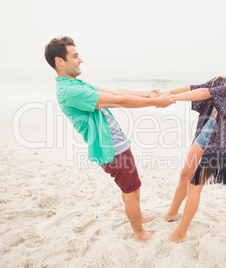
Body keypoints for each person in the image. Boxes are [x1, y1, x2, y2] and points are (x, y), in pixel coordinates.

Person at [44, 36, 175, 242]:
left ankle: (138, 217)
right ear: (60, 61)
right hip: (112, 149)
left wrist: (148, 94)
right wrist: (157, 102)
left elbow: (115, 91)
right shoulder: (70, 91)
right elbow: (118, 101)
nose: (81, 60)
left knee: (131, 187)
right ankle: (139, 233)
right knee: (132, 191)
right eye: (75, 56)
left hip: (116, 145)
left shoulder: (75, 84)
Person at [162, 40, 226, 242]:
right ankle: (172, 213)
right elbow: (195, 87)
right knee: (185, 174)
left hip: (221, 140)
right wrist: (166, 93)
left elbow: (205, 93)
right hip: (206, 132)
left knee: (195, 185)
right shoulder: (222, 79)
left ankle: (181, 232)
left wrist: (171, 100)